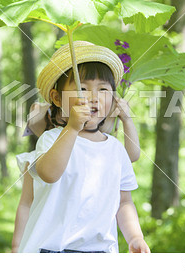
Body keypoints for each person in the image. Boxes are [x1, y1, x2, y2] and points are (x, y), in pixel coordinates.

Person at [14, 41, 150, 253]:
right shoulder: (52, 139)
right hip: (53, 251)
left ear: (113, 100)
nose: (93, 96)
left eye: (103, 89)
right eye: (82, 88)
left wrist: (135, 237)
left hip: (100, 252)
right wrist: (72, 128)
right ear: (57, 98)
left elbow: (124, 202)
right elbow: (49, 173)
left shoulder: (115, 149)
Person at [11, 98, 140, 252]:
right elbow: (26, 203)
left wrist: (126, 119)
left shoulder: (105, 150)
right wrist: (17, 244)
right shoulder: (38, 156)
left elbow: (130, 157)